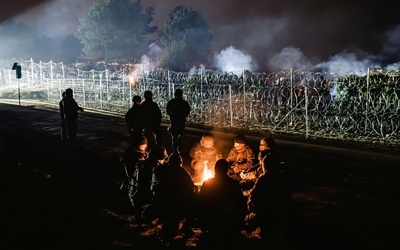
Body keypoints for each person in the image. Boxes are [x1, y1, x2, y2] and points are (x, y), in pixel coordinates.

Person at [245, 154, 292, 250]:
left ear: (265, 165)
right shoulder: (284, 178)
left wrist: (252, 209)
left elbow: (253, 198)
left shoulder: (264, 179)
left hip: (267, 216)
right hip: (283, 215)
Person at [150, 152, 198, 246]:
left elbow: (153, 187)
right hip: (176, 207)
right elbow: (192, 188)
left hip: (160, 205)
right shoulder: (182, 173)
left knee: (169, 224)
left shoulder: (158, 170)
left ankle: (166, 235)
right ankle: (186, 227)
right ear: (180, 163)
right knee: (196, 204)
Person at [197, 159, 247, 248]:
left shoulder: (207, 183)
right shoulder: (234, 184)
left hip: (212, 221)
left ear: (215, 170)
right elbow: (241, 204)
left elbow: (200, 203)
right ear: (226, 170)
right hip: (228, 221)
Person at [120, 135, 149, 221]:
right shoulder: (135, 155)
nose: (146, 146)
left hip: (132, 181)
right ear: (139, 145)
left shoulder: (134, 151)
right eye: (144, 144)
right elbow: (138, 170)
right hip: (133, 182)